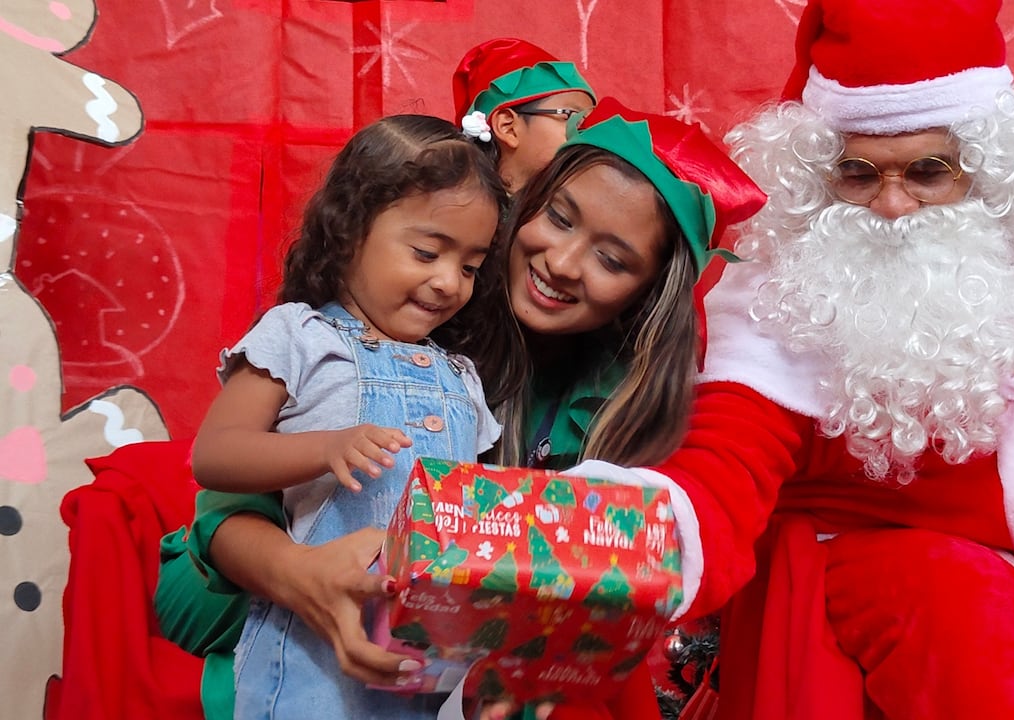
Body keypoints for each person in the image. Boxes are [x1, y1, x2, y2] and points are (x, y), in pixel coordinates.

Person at [572, 1, 1014, 718]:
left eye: (927, 172)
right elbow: (727, 459)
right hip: (894, 551)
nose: (890, 204)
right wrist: (620, 531)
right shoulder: (790, 287)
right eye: (856, 174)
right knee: (983, 651)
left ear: (988, 161)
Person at [154, 97, 765, 720]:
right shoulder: (402, 322)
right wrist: (292, 571)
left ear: (649, 291)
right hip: (299, 657)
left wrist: (527, 672)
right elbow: (213, 522)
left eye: (612, 259)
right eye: (557, 217)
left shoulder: (640, 416)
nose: (562, 261)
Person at [180, 113, 512, 718]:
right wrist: (325, 446)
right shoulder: (299, 336)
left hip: (424, 670)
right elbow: (215, 454)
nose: (448, 282)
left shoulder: (462, 376)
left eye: (469, 266)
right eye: (426, 251)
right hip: (308, 663)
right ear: (351, 228)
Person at [452, 37, 597, 194]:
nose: (586, 135)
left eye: (589, 124)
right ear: (508, 127)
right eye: (572, 117)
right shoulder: (460, 211)